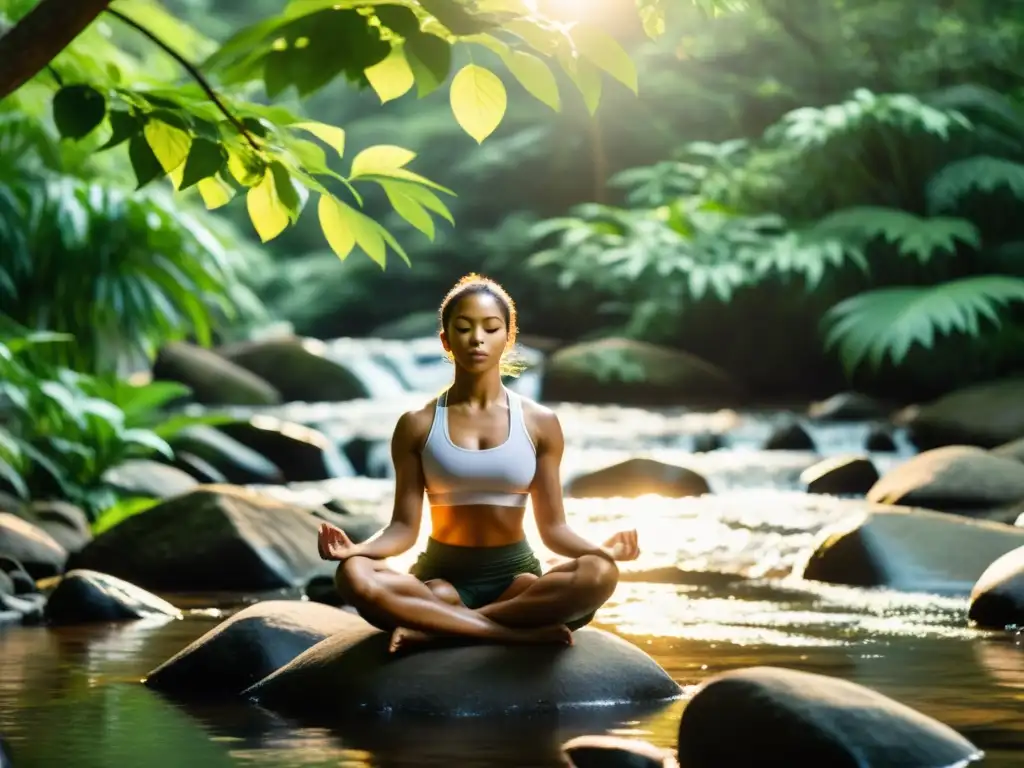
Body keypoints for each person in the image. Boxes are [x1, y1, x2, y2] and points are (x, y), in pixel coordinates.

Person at [317, 274, 640, 653]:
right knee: (353, 575)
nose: (477, 339)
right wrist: (357, 549)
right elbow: (403, 527)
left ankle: (435, 627)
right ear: (445, 340)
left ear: (509, 338)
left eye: (490, 328)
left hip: (517, 580)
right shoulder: (416, 424)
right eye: (464, 328)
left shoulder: (540, 423)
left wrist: (603, 551)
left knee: (599, 573)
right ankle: (507, 631)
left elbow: (554, 529)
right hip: (441, 578)